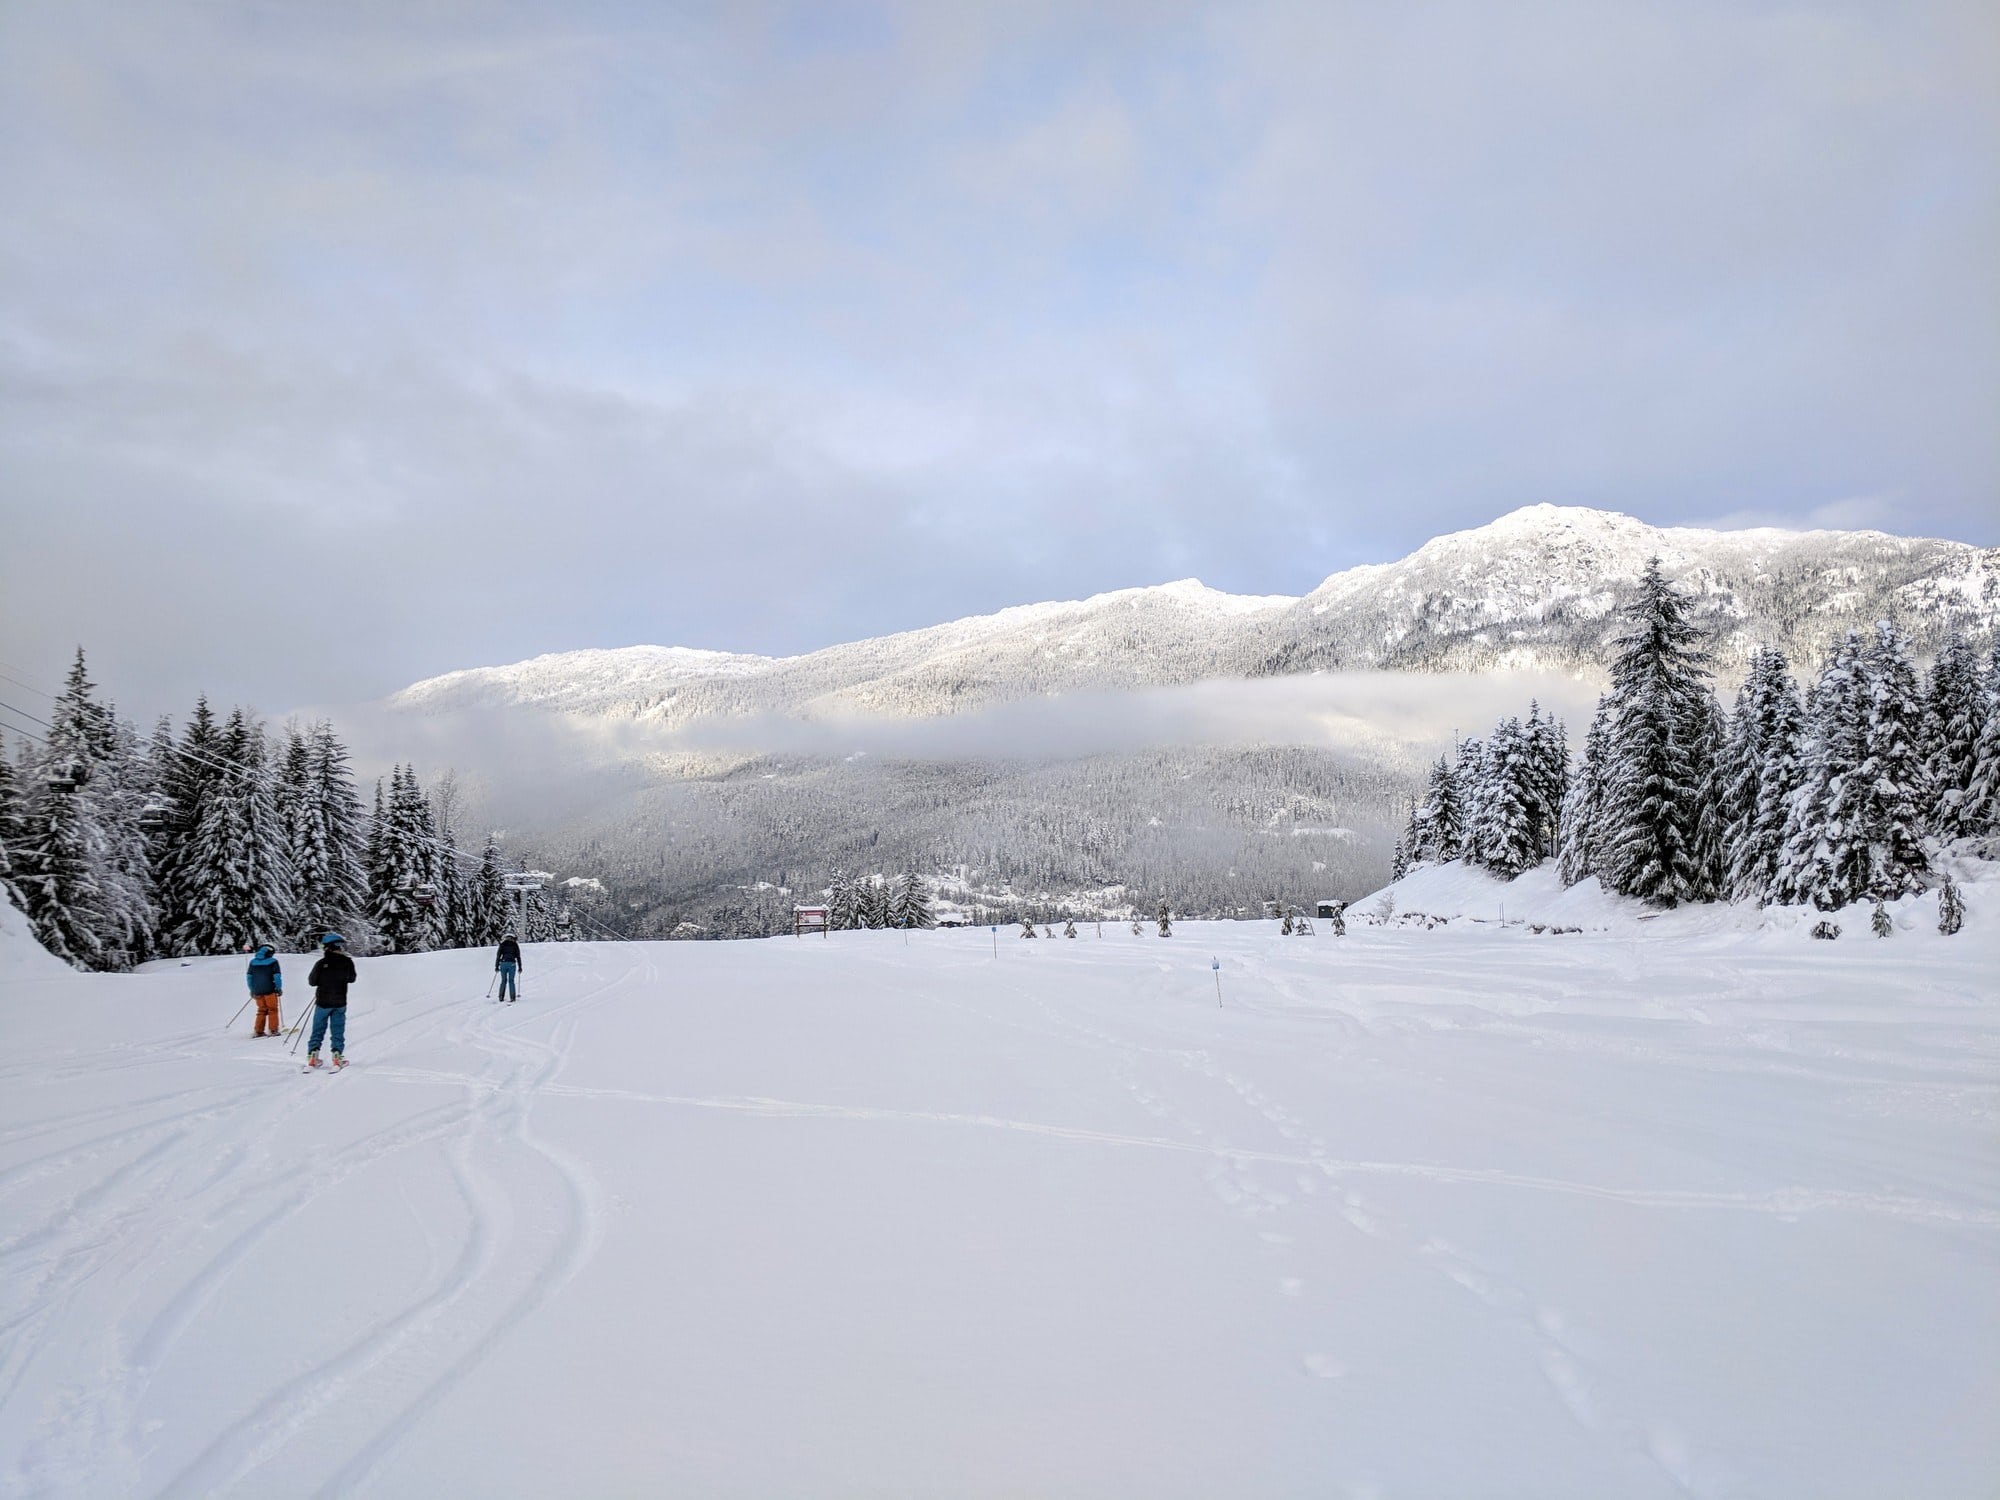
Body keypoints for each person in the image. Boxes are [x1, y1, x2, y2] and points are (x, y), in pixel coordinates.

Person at [305, 932, 358, 1068]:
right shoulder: (347, 962)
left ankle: (313, 1056)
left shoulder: (321, 963)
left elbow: (312, 981)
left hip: (322, 1001)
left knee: (318, 1030)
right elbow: (352, 979)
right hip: (340, 1002)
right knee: (337, 1030)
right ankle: (337, 1057)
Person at [245, 944, 283, 1037]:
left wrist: (252, 990)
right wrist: (278, 988)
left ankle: (258, 1031)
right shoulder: (273, 962)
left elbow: (249, 977)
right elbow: (277, 976)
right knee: (272, 1009)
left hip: (257, 991)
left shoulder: (252, 962)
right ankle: (273, 1030)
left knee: (261, 1010)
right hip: (270, 990)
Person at [494, 932, 523, 1003]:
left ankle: (501, 997)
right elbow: (518, 956)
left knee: (503, 980)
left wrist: (497, 966)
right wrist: (520, 967)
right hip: (512, 964)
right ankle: (512, 997)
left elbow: (498, 956)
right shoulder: (515, 945)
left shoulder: (502, 944)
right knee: (511, 981)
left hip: (503, 964)